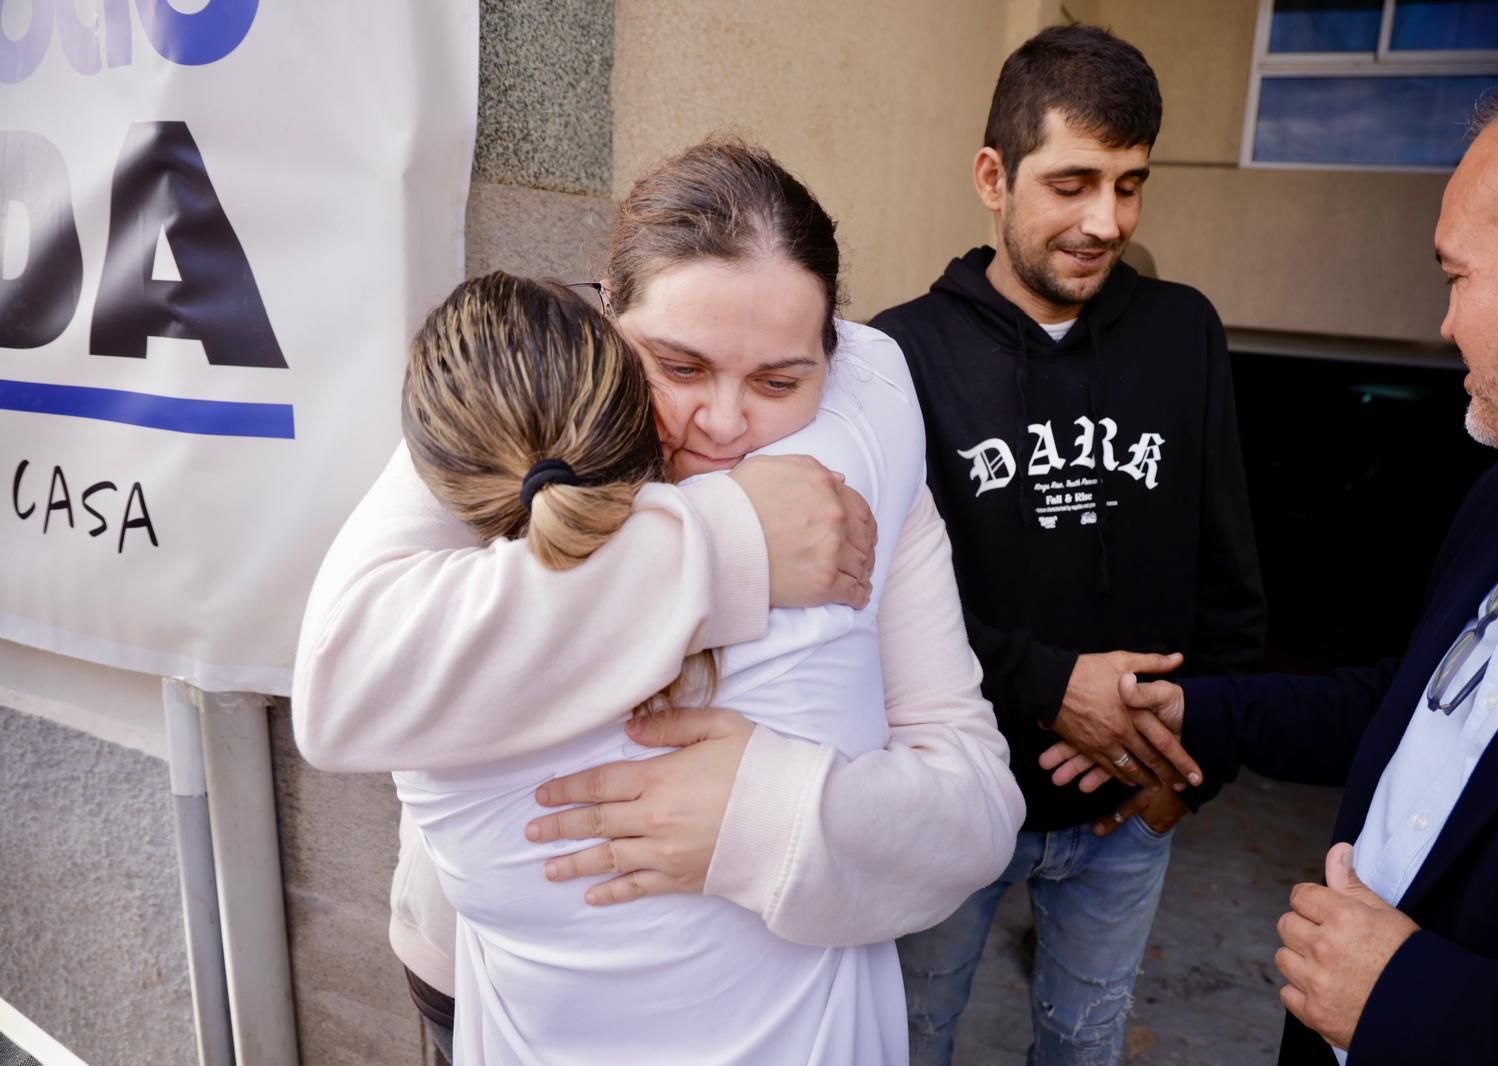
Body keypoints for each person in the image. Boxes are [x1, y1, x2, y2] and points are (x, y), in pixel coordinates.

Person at [293, 140, 1025, 1062]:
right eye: (678, 367)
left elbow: (975, 806)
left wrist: (768, 815)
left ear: (828, 361)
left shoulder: (870, 421)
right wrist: (731, 548)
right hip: (496, 987)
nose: (723, 424)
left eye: (779, 382)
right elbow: (341, 685)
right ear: (606, 308)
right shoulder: (521, 390)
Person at [1054, 42, 1498, 1066]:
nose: (1440, 325)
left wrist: (1407, 1004)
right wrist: (1198, 714)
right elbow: (1407, 709)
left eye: (1455, 275)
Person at [867, 24, 1266, 1065]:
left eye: (1130, 186)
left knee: (1082, 1052)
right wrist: (1051, 683)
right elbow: (879, 602)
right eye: (1073, 182)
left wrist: (1189, 774)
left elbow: (1229, 572)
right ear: (992, 176)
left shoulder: (1185, 333)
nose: (1106, 221)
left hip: (1122, 820)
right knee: (909, 1042)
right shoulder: (899, 353)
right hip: (954, 801)